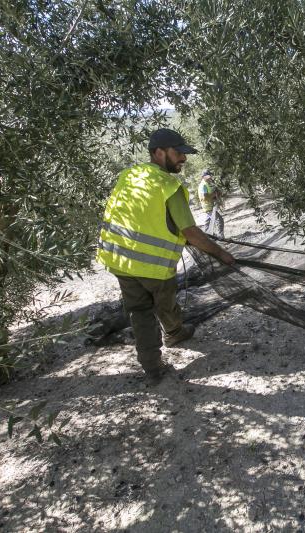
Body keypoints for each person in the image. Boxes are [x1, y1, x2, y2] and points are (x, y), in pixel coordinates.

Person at [96, 128, 235, 385]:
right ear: (159, 153)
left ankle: (152, 369)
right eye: (178, 153)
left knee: (139, 313)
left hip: (118, 260)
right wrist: (221, 253)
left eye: (184, 153)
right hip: (152, 267)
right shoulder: (169, 186)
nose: (183, 159)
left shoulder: (128, 175)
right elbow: (191, 233)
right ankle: (174, 333)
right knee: (166, 304)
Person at [197, 169, 225, 238]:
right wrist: (215, 194)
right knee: (219, 220)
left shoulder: (207, 183)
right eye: (208, 175)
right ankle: (221, 237)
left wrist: (216, 194)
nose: (210, 177)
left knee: (208, 221)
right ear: (203, 176)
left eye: (210, 175)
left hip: (210, 205)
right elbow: (205, 197)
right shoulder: (203, 185)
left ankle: (207, 236)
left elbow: (211, 193)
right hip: (208, 207)